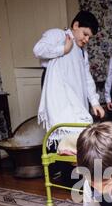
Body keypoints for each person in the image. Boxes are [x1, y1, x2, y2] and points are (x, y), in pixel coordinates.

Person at [33, 10, 105, 145]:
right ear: (76, 25)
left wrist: (95, 102)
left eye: (89, 37)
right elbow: (38, 50)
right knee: (61, 135)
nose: (86, 40)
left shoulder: (83, 53)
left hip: (76, 95)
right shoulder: (57, 35)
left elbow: (87, 77)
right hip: (58, 93)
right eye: (85, 34)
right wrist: (63, 50)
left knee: (78, 138)